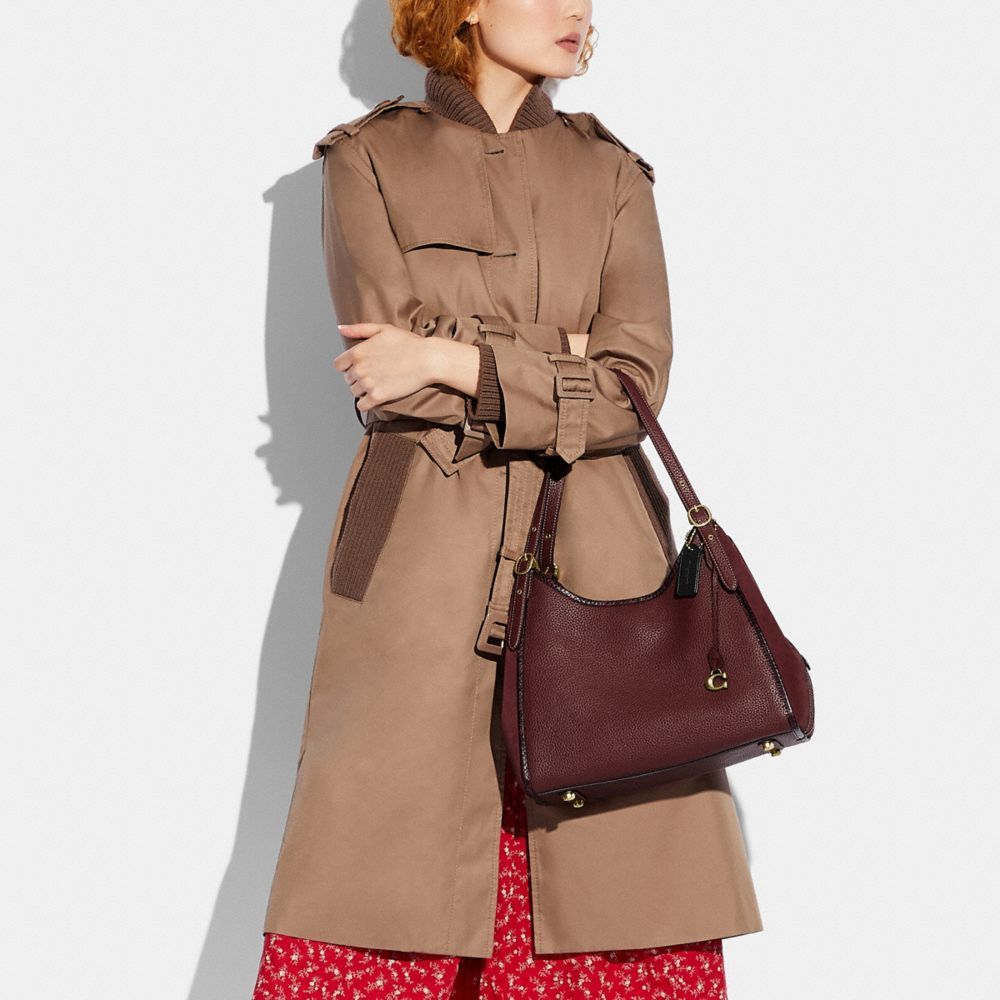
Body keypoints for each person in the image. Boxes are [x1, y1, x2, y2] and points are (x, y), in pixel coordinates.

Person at [253, 2, 763, 997]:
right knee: (383, 861)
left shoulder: (613, 175)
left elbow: (632, 385)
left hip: (602, 547)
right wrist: (563, 355)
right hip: (415, 553)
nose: (578, 10)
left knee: (616, 857)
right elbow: (385, 369)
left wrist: (455, 356)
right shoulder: (365, 160)